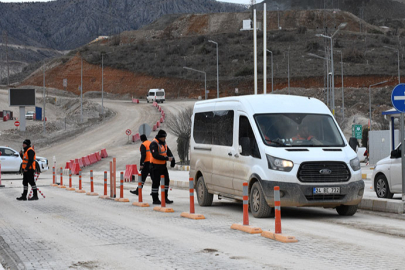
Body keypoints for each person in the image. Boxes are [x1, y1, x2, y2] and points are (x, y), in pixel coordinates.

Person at [149, 129, 175, 205]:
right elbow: (155, 155)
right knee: (156, 183)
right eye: (164, 137)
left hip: (163, 166)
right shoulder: (154, 144)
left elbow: (168, 151)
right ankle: (155, 199)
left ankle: (165, 198)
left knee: (166, 181)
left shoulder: (164, 143)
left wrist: (172, 159)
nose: (165, 138)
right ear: (160, 137)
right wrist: (167, 158)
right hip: (155, 166)